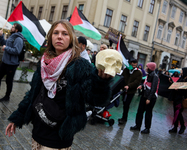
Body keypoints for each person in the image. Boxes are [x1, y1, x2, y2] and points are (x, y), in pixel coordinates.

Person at [5, 20, 113, 149]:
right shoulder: (44, 62)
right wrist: (18, 117)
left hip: (59, 136)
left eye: (65, 33)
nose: (59, 36)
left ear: (71, 38)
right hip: (38, 130)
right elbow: (33, 93)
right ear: (51, 37)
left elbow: (95, 99)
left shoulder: (80, 65)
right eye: (56, 33)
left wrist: (101, 82)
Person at [130, 62, 159, 134]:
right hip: (144, 95)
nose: (146, 68)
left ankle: (147, 128)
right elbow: (146, 84)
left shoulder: (155, 76)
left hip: (150, 98)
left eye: (147, 67)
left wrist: (149, 98)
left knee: (148, 113)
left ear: (151, 68)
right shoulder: (148, 75)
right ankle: (137, 125)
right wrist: (142, 86)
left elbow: (153, 88)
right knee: (140, 111)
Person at [0, 23, 24, 102]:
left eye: (13, 27)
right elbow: (4, 43)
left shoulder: (18, 39)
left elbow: (17, 51)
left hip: (11, 64)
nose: (11, 28)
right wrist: (1, 36)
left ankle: (7, 96)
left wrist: (6, 48)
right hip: (4, 62)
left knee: (8, 81)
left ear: (16, 30)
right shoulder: (11, 37)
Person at [168, 67, 187, 134]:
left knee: (178, 113)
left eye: (182, 71)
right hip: (177, 98)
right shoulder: (182, 78)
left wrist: (179, 89)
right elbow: (177, 84)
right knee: (176, 113)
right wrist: (172, 82)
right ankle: (175, 127)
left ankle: (182, 126)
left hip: (181, 99)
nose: (181, 72)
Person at [118, 58, 142, 124]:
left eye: (135, 65)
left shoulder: (138, 72)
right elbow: (122, 78)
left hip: (131, 91)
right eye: (132, 65)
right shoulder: (126, 70)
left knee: (127, 104)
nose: (134, 66)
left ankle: (124, 118)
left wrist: (129, 86)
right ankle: (123, 117)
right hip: (124, 90)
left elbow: (137, 82)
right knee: (124, 104)